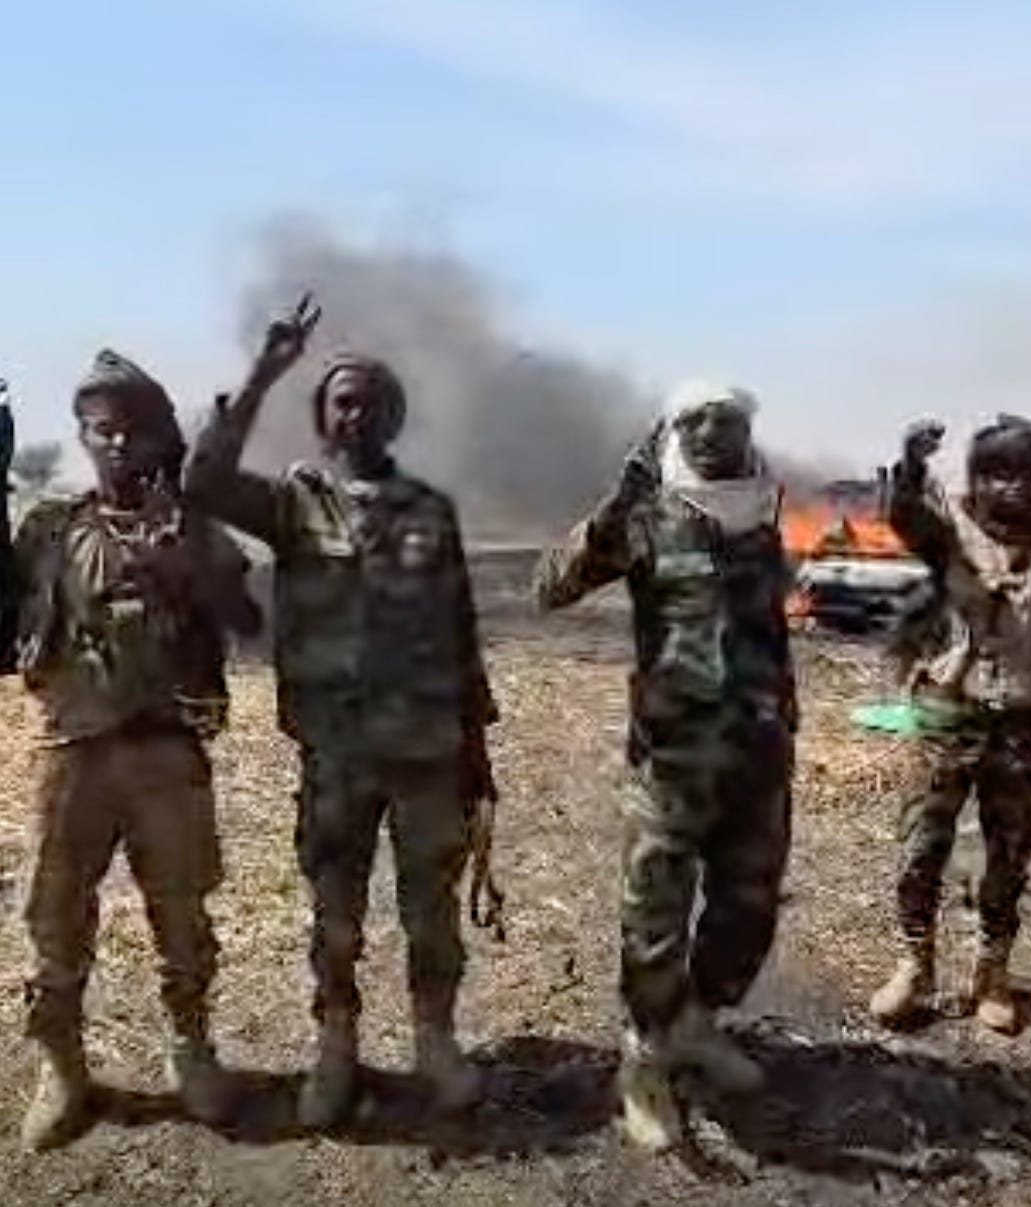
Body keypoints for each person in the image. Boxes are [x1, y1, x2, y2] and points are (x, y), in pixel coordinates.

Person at [185, 300, 499, 1128]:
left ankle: (435, 1040)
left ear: (391, 416)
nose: (354, 414)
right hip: (336, 750)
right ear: (323, 418)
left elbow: (460, 629)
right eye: (340, 402)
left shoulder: (429, 509)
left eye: (368, 402)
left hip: (426, 749)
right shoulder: (295, 502)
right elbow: (203, 481)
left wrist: (476, 748)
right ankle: (336, 1047)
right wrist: (264, 373)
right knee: (335, 913)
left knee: (431, 909)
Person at [534, 381, 797, 1152]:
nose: (712, 432)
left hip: (758, 754)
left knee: (747, 909)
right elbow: (549, 587)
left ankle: (697, 1022)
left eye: (728, 419)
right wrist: (613, 509)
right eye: (695, 419)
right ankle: (644, 1062)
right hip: (671, 761)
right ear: (672, 430)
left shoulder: (765, 514)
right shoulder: (648, 515)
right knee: (654, 917)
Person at [10, 353, 260, 1151]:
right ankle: (63, 1068)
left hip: (166, 756)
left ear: (158, 438)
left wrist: (187, 576)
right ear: (82, 438)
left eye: (132, 429)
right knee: (52, 918)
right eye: (101, 429)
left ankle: (193, 1051)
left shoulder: (190, 525)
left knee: (182, 914)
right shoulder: (49, 529)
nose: (117, 443)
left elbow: (248, 620)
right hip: (71, 755)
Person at [870, 415, 1031, 1034]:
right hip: (946, 718)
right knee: (920, 847)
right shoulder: (946, 538)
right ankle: (915, 964)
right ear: (977, 478)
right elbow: (903, 514)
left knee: (1009, 855)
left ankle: (993, 973)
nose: (1013, 486)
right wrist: (911, 463)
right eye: (998, 474)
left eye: (1026, 474)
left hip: (1022, 726)